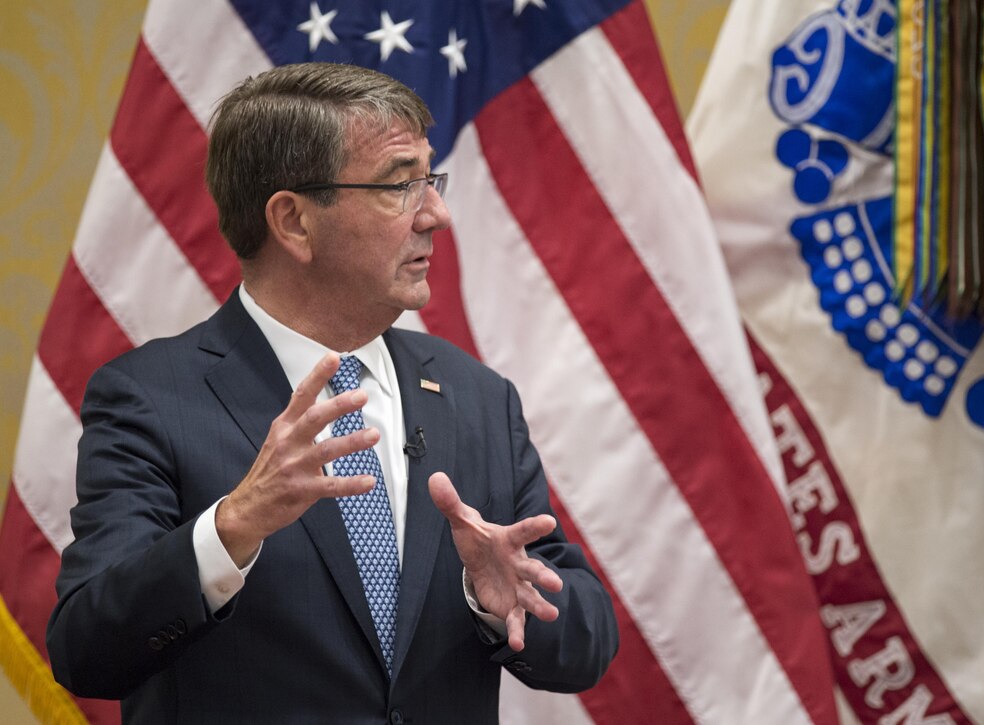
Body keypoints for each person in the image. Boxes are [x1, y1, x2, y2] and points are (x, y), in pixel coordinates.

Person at [47, 62, 618, 723]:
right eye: (400, 185)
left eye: (429, 180)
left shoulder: (475, 396)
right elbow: (84, 649)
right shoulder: (150, 398)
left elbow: (587, 644)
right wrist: (230, 529)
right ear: (293, 222)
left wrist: (495, 598)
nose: (437, 213)